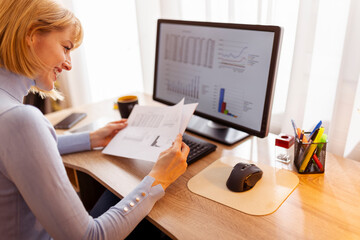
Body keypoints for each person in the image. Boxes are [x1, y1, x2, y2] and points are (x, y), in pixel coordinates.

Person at [0, 0, 189, 239]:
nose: (68, 64)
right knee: (162, 211)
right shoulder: (20, 121)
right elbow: (90, 236)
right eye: (66, 47)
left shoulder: (9, 116)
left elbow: (22, 152)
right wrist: (158, 178)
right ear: (32, 35)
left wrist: (91, 139)